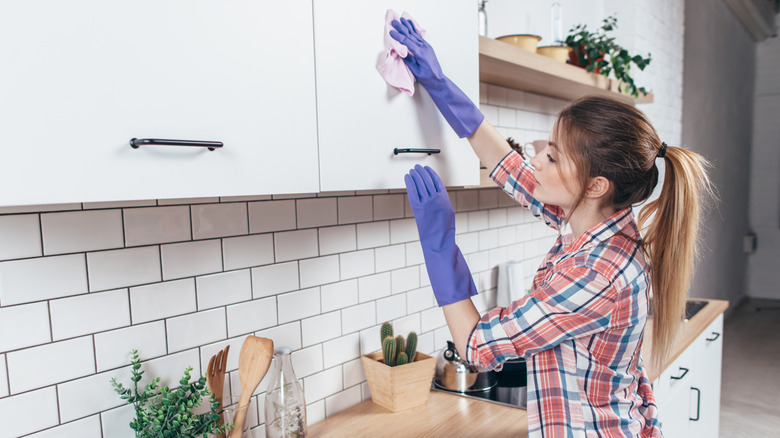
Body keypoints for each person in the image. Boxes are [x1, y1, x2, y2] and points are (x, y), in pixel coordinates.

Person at [391, 17, 714, 438]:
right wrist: (439, 83)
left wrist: (439, 245)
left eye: (554, 157)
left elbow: (475, 345)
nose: (538, 159)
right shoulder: (593, 222)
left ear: (596, 185)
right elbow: (506, 163)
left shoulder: (596, 273)